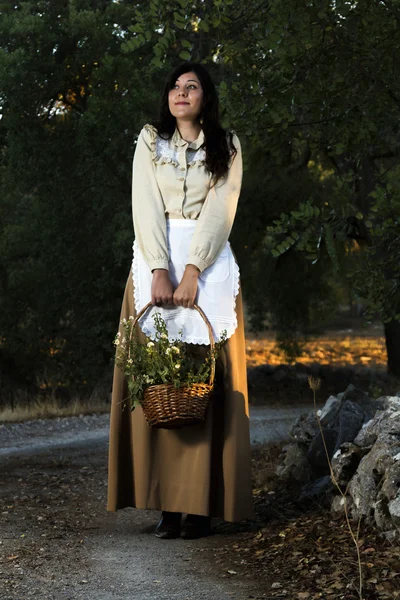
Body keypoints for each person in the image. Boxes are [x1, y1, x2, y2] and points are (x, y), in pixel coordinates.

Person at [107, 62, 254, 540]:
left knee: (207, 382)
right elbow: (143, 202)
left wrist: (193, 269)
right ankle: (167, 506)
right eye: (174, 85)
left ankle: (202, 506)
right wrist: (158, 269)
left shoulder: (227, 146)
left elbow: (221, 207)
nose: (180, 92)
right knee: (155, 381)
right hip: (154, 261)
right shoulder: (151, 141)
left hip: (206, 269)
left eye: (191, 86)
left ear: (205, 97)